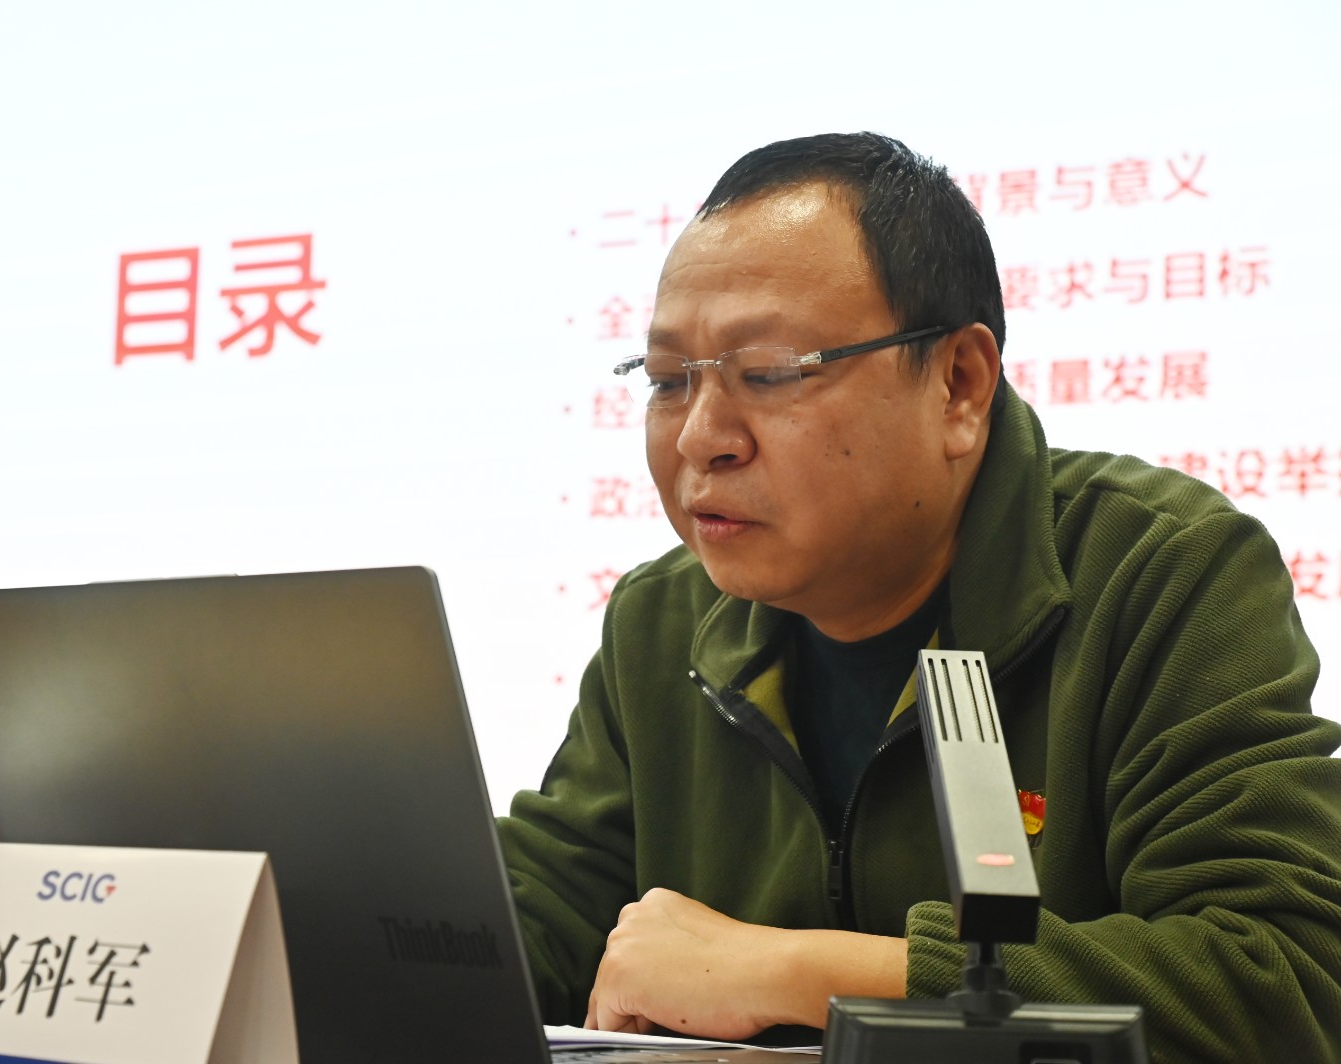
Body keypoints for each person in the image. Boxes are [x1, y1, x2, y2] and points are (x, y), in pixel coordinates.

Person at [496, 132, 1341, 1062]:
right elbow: (532, 922)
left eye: (769, 372)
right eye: (666, 382)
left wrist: (801, 974)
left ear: (958, 385)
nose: (701, 437)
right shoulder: (663, 622)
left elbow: (1286, 979)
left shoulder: (1158, 571)